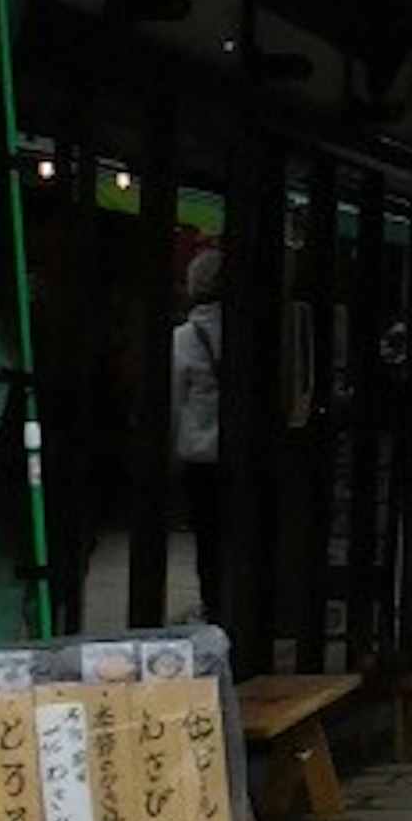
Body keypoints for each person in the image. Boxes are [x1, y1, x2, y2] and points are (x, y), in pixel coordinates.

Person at [168, 240, 226, 618]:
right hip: (241, 451)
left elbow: (173, 400)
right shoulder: (251, 328)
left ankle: (213, 602)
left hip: (201, 451)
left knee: (207, 536)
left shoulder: (184, 338)